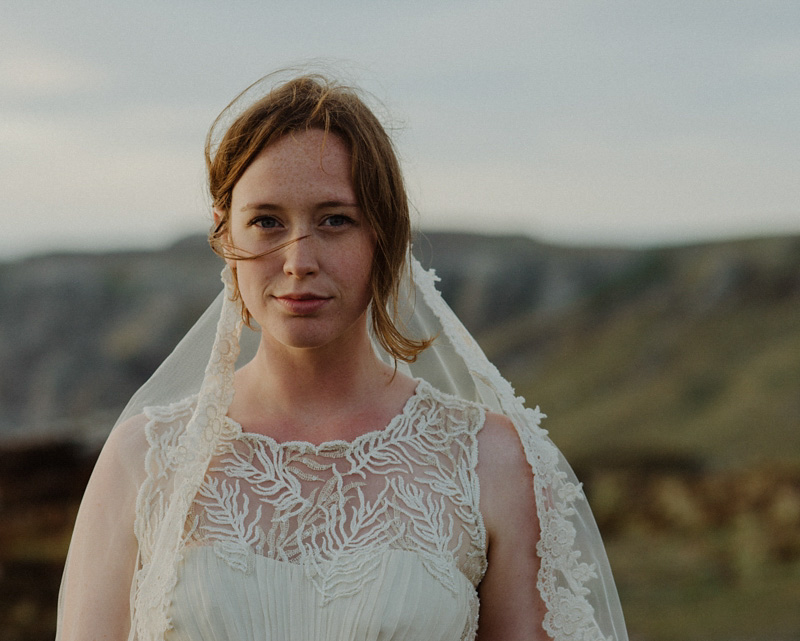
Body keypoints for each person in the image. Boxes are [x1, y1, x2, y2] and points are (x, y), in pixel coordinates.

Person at [57, 72, 628, 641]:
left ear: (383, 236)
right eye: (266, 222)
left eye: (335, 220)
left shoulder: (491, 463)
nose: (298, 259)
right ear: (225, 234)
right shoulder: (145, 460)